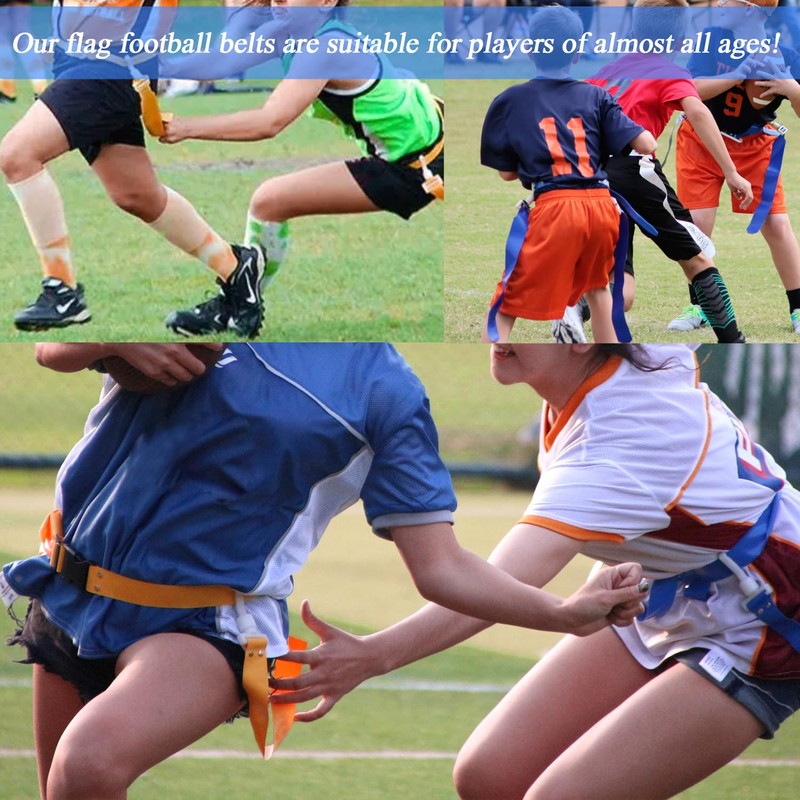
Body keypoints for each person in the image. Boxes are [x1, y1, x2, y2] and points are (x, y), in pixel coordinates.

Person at [0, 342, 645, 800]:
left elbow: (442, 566)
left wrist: (561, 614)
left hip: (207, 623)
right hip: (69, 592)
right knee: (65, 788)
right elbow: (52, 349)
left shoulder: (383, 390)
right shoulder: (226, 285)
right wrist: (115, 338)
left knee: (87, 764)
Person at [273, 343, 800, 800]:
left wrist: (375, 654)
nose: (498, 331)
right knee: (488, 776)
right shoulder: (613, 373)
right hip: (666, 583)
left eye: (525, 313)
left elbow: (482, 581)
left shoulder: (613, 445)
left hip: (768, 609)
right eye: (502, 306)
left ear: (579, 338)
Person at [158, 0, 444, 336]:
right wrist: (163, 66)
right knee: (269, 203)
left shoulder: (326, 48)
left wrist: (186, 127)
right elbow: (223, 60)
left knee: (268, 200)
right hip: (417, 149)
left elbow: (269, 121)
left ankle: (236, 304)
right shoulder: (289, 33)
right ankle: (237, 304)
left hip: (415, 168)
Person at [0, 0, 267, 336]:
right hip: (84, 65)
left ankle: (61, 290)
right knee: (137, 195)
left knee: (16, 155)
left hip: (109, 68)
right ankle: (235, 268)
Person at [556, 0, 753, 345]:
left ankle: (574, 308)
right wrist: (732, 173)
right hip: (633, 169)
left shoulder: (606, 71)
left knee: (622, 287)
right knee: (698, 258)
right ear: (681, 40)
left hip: (591, 174)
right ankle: (733, 343)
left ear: (633, 32)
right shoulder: (669, 72)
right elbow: (698, 112)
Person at [478, 6, 657, 344]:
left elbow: (506, 174)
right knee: (598, 289)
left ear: (529, 49)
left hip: (556, 204)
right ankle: (607, 363)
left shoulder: (511, 100)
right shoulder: (596, 94)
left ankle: (492, 358)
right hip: (602, 206)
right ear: (577, 53)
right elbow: (646, 143)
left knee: (507, 299)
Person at [672, 0, 800, 335]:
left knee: (776, 224)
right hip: (701, 139)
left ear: (750, 9)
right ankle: (701, 306)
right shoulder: (712, 39)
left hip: (753, 145)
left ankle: (798, 306)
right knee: (697, 225)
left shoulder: (783, 54)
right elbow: (690, 91)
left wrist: (792, 88)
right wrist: (737, 75)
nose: (719, 3)